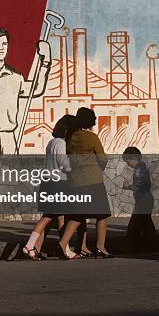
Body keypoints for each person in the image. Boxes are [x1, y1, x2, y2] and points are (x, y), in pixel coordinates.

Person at [57, 107, 112, 259]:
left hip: (76, 180)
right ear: (90, 121)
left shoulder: (70, 138)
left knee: (78, 214)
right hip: (93, 179)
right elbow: (102, 158)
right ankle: (100, 247)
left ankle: (63, 242)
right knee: (102, 215)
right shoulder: (91, 137)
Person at [22, 115, 73, 260]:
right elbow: (63, 162)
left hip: (48, 181)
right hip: (59, 182)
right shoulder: (61, 143)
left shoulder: (51, 142)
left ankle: (64, 248)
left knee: (58, 217)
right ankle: (30, 245)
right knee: (48, 216)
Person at [122, 147, 156, 253]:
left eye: (128, 161)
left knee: (135, 224)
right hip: (145, 199)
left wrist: (128, 186)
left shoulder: (139, 169)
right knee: (145, 223)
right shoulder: (142, 167)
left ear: (134, 159)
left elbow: (143, 185)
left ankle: (132, 246)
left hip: (143, 199)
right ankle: (149, 246)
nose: (127, 164)